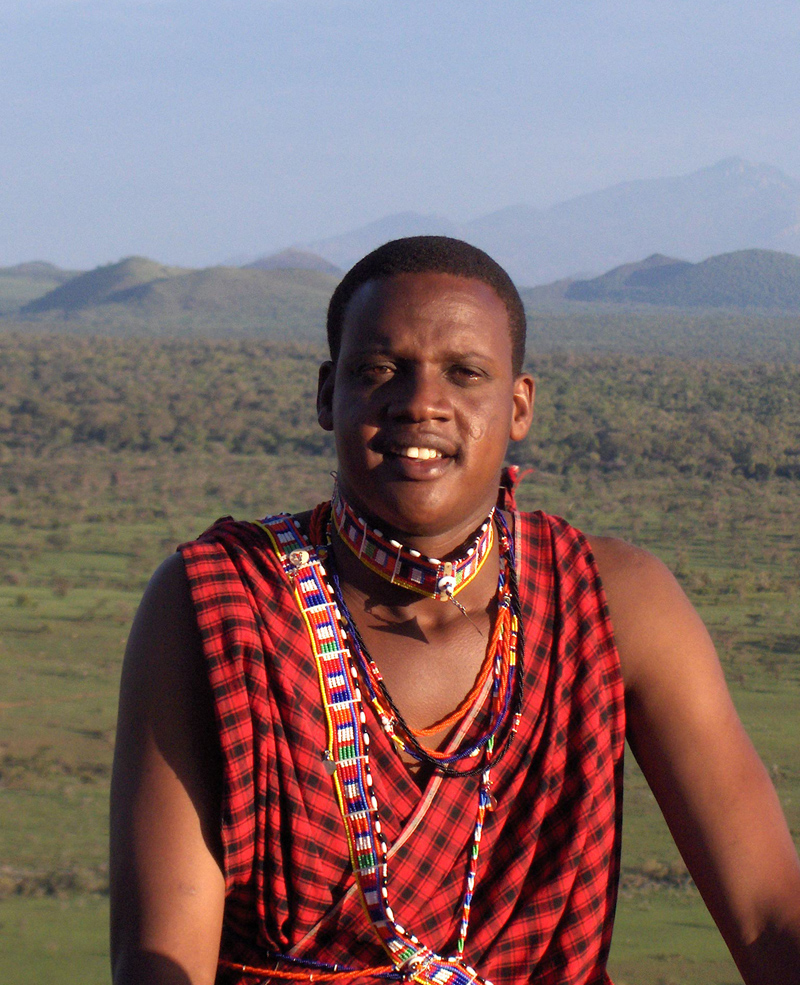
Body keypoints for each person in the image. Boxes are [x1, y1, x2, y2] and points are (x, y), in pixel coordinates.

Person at [110, 236, 800, 985]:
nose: (419, 404)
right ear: (324, 395)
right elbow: (162, 956)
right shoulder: (221, 604)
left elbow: (768, 910)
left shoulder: (613, 603)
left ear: (519, 406)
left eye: (465, 374)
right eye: (378, 371)